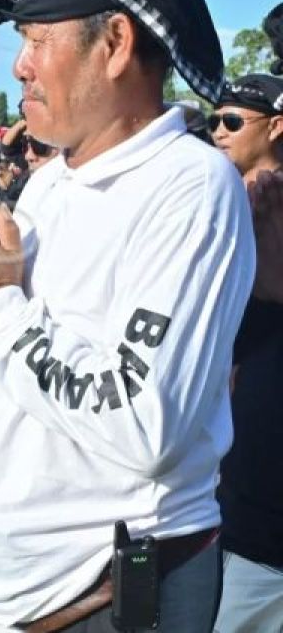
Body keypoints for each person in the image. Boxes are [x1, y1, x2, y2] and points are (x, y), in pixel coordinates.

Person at [0, 0, 253, 632]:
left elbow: (142, 425)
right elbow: (3, 360)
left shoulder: (188, 186)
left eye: (35, 38)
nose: (18, 64)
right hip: (13, 595)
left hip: (107, 597)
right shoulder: (55, 180)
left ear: (116, 41)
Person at [209, 73, 283, 632]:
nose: (217, 131)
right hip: (230, 487)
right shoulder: (214, 200)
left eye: (232, 121)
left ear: (275, 126)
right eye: (213, 120)